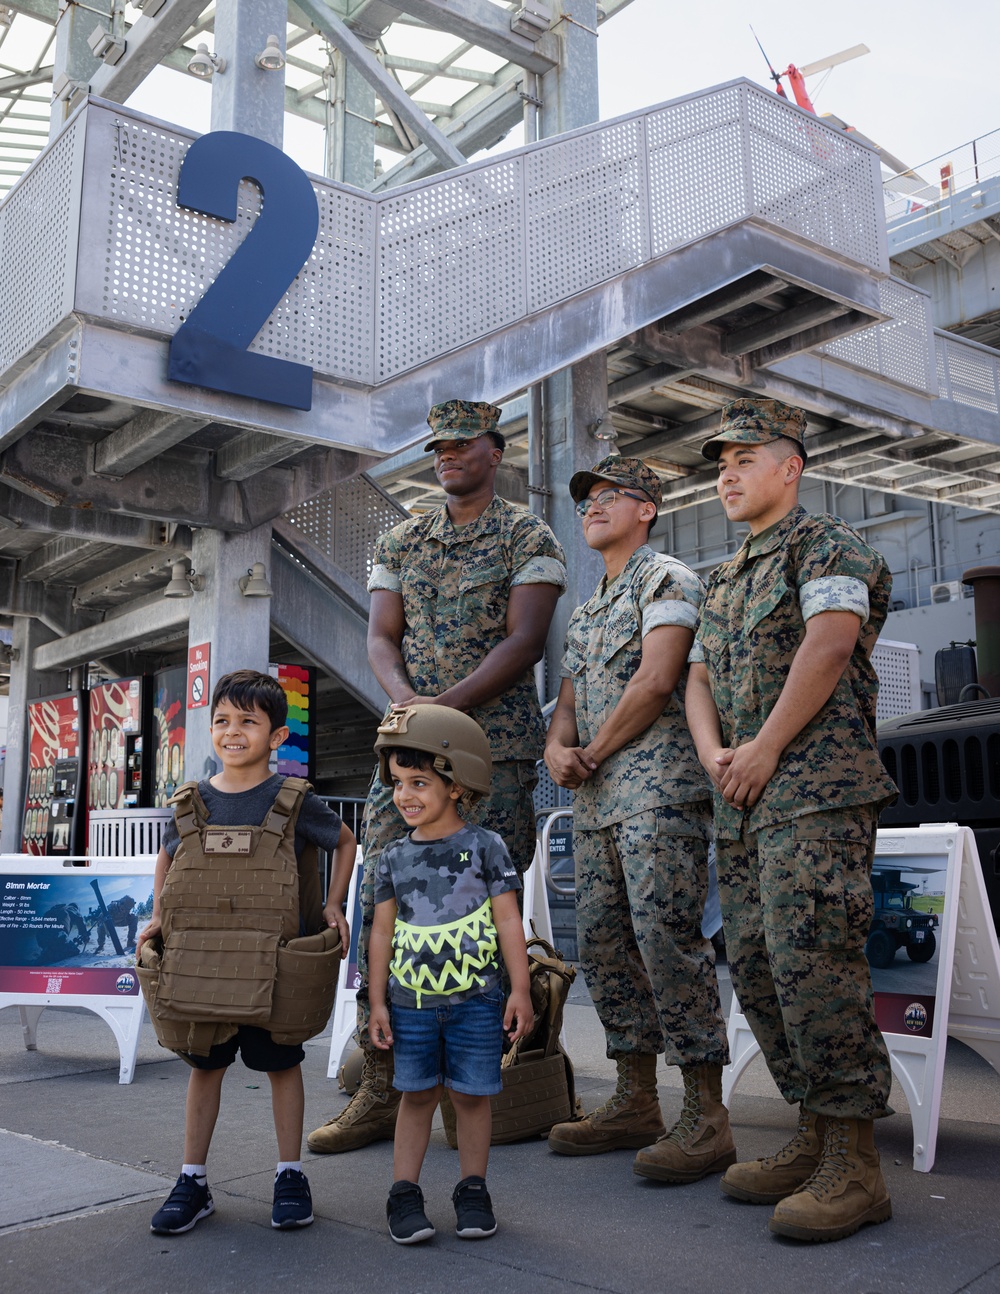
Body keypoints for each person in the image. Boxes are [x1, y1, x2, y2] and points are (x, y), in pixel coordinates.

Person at [308, 399, 565, 1155]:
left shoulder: (528, 534)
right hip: (407, 749)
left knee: (477, 915)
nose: (447, 454)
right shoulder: (401, 537)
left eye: (462, 444)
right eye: (438, 446)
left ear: (494, 448)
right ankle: (384, 1089)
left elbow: (525, 641)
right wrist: (406, 708)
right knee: (386, 905)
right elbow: (381, 636)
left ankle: (474, 1082)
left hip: (495, 753)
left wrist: (441, 716)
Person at [685, 398, 897, 1243]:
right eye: (719, 462)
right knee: (764, 970)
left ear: (791, 467)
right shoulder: (725, 575)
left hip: (813, 788)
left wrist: (764, 748)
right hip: (740, 797)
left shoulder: (828, 547)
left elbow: (831, 644)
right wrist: (715, 756)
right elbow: (695, 676)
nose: (727, 474)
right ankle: (813, 1134)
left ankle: (857, 1163)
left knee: (816, 963)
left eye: (744, 458)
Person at [543, 456, 733, 1181]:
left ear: (646, 508)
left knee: (666, 943)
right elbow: (565, 698)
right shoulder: (590, 607)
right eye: (586, 499)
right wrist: (559, 747)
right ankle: (633, 1099)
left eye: (606, 497)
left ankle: (706, 1114)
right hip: (594, 804)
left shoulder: (669, 580)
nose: (591, 507)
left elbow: (658, 680)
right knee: (606, 948)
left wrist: (587, 748)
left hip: (657, 794)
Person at [136, 670, 356, 1235]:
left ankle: (289, 1174)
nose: (233, 733)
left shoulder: (294, 800)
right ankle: (192, 1180)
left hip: (275, 966)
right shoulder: (191, 802)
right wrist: (159, 914)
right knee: (203, 1069)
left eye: (248, 723)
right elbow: (168, 857)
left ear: (277, 737)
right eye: (222, 722)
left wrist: (334, 905)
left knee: (281, 1064)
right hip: (201, 964)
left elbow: (346, 840)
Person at [366, 704, 532, 1244]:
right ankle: (404, 1195)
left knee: (471, 1098)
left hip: (478, 1000)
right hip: (410, 1002)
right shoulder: (391, 858)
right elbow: (381, 935)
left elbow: (509, 921)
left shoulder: (486, 847)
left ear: (457, 785)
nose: (404, 795)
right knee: (415, 1096)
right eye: (397, 783)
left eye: (419, 781)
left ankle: (473, 1190)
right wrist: (378, 1003)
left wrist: (521, 990)